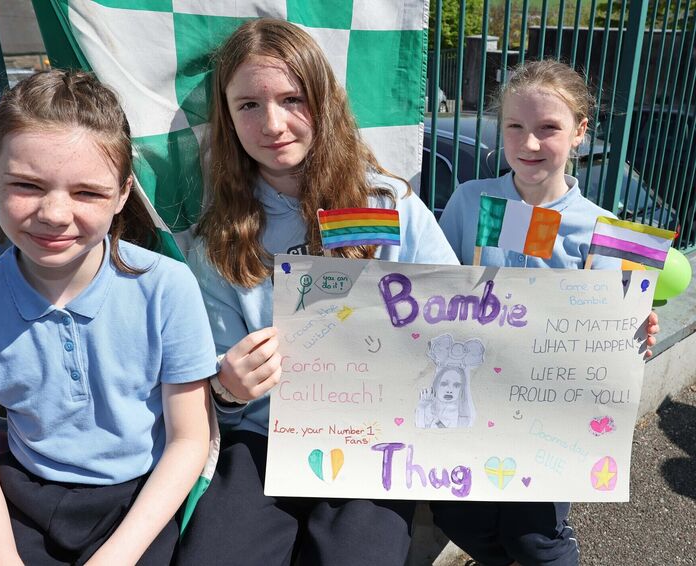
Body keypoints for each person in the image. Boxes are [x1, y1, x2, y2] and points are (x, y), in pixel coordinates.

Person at [178, 18, 459, 566]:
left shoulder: (388, 206)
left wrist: (615, 328)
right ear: (227, 118)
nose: (274, 123)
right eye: (249, 105)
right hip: (261, 444)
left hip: (375, 437)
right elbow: (213, 385)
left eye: (292, 98)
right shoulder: (218, 241)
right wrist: (228, 385)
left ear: (324, 102)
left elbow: (463, 315)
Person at [0, 70, 217, 566]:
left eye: (87, 193)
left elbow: (189, 438)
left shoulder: (166, 287)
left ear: (123, 194)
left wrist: (115, 558)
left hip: (140, 503)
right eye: (27, 185)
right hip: (24, 503)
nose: (55, 214)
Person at [433, 59, 660, 566]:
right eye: (515, 126)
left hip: (548, 413)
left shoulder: (603, 228)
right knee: (460, 518)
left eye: (548, 128)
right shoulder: (471, 202)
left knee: (538, 540)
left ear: (580, 131)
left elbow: (612, 327)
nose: (529, 144)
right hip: (471, 398)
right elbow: (435, 289)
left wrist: (631, 326)